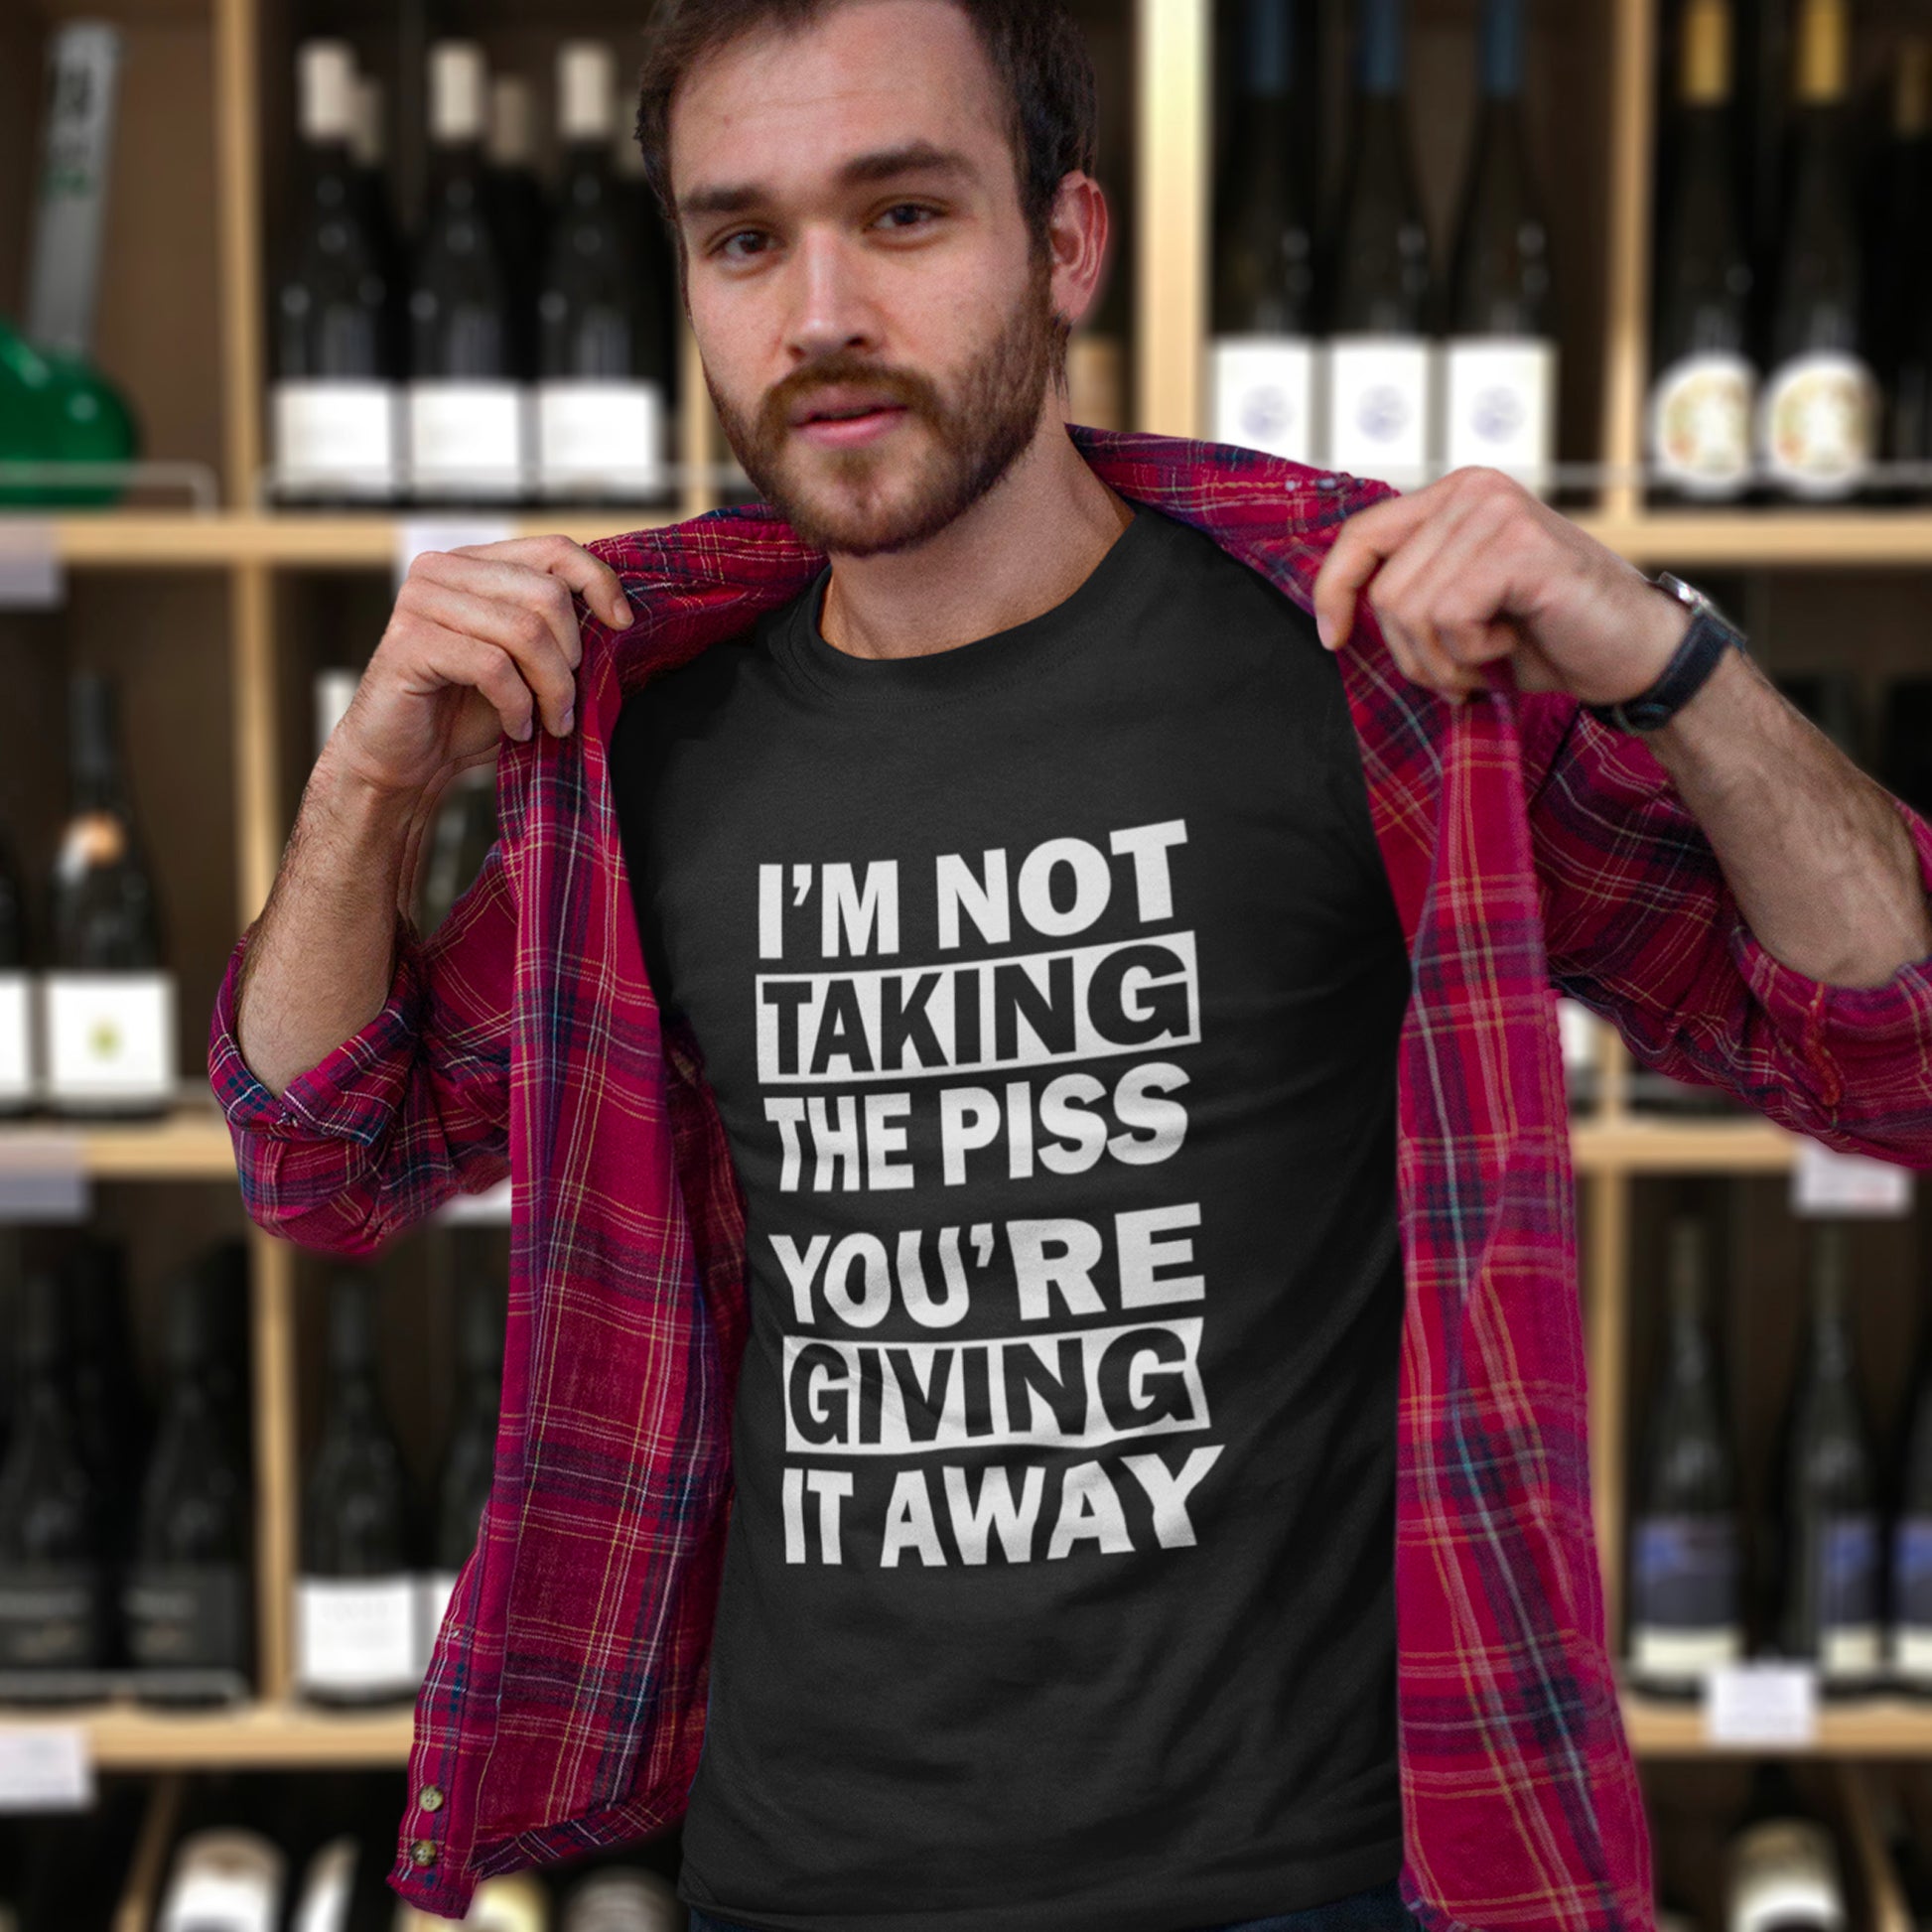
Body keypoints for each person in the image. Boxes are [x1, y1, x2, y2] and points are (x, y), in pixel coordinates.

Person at [208, 2, 1932, 1928]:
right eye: (744, 238)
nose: (820, 312)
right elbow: (321, 1154)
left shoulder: (1354, 669)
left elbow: (1891, 1053)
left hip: (1303, 1881)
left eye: (905, 213)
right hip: (796, 1877)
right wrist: (364, 781)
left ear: (1067, 244)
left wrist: (1676, 662)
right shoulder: (650, 742)